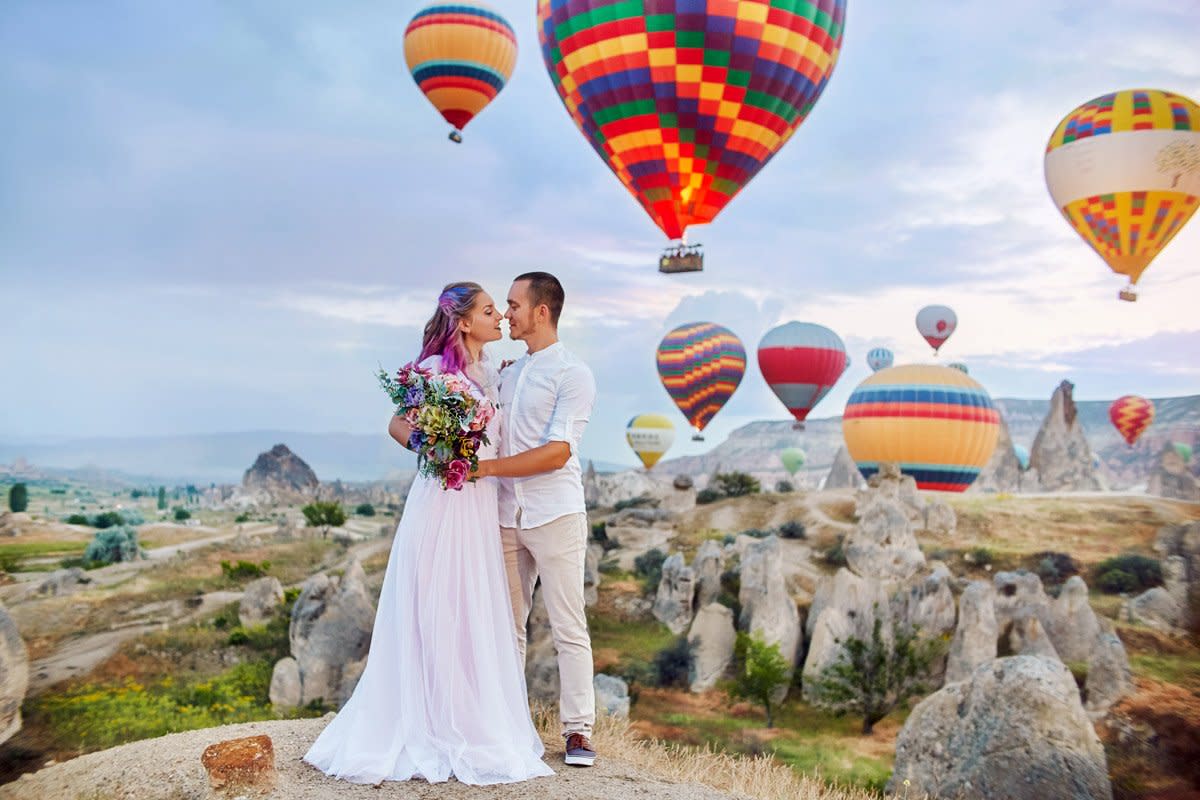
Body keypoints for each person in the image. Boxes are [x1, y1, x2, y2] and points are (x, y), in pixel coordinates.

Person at [302, 282, 553, 786]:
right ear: (463, 321)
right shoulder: (435, 370)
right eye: (488, 311)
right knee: (436, 602)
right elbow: (397, 424)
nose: (499, 317)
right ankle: (425, 720)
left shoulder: (492, 373)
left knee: (470, 607)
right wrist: (437, 447)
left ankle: (464, 716)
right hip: (443, 501)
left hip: (479, 505)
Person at [471, 271, 598, 767]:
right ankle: (508, 724)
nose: (505, 314)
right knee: (507, 626)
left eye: (513, 305)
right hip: (505, 516)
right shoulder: (507, 372)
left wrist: (486, 469)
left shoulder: (573, 374)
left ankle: (578, 731)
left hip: (556, 515)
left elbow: (556, 453)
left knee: (568, 625)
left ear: (541, 311)